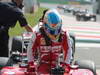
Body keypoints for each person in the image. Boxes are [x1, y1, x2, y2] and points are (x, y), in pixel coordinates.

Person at [27, 9, 72, 74]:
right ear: (44, 25)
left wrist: (66, 65)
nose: (55, 33)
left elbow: (68, 50)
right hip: (41, 65)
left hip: (57, 66)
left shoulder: (64, 34)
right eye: (52, 31)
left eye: (57, 30)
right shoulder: (37, 34)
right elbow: (30, 49)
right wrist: (31, 64)